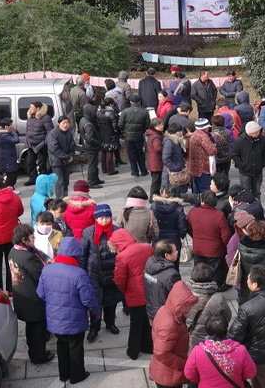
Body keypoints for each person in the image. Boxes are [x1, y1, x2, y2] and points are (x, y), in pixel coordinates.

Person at [9, 224, 55, 365]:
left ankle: (34, 352)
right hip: (33, 299)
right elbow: (41, 275)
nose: (34, 239)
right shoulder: (27, 257)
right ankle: (39, 356)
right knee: (38, 329)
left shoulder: (14, 250)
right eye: (31, 237)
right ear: (24, 239)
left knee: (31, 327)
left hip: (22, 298)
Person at [80, 204, 122, 342]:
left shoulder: (117, 231)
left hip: (112, 273)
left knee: (111, 300)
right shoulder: (88, 232)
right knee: (95, 303)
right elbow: (82, 255)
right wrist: (83, 273)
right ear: (96, 219)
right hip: (94, 274)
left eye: (107, 217)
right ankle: (94, 328)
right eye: (101, 218)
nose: (104, 221)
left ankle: (110, 323)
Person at [111, 229, 154, 360]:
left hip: (135, 294)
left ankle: (133, 351)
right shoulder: (147, 247)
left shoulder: (122, 257)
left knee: (135, 323)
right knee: (146, 321)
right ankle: (148, 346)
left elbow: (120, 280)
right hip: (149, 291)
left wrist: (125, 290)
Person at [149, 280, 199, 388]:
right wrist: (183, 364)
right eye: (187, 306)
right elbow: (161, 353)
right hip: (169, 376)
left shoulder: (164, 310)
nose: (190, 309)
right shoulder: (170, 325)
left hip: (164, 372)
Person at [185, 315, 256, 387]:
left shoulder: (198, 351)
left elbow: (189, 374)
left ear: (208, 332)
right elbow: (251, 373)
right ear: (227, 330)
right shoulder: (240, 350)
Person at [187, 192, 232, 288]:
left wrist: (197, 238)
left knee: (199, 270)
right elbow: (226, 236)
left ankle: (198, 287)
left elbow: (189, 229)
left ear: (202, 202)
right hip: (215, 250)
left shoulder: (193, 212)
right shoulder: (219, 215)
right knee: (214, 272)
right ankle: (214, 289)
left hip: (198, 248)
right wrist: (227, 248)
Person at [186, 263, 232, 348]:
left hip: (185, 338)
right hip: (207, 341)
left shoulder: (184, 293)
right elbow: (227, 317)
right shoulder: (218, 298)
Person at [144, 239, 181, 322]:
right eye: (175, 250)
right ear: (166, 255)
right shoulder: (171, 275)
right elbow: (177, 298)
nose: (177, 252)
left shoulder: (149, 264)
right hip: (165, 316)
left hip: (151, 311)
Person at [231, 121, 265, 199]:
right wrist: (242, 165)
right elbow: (234, 155)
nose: (258, 133)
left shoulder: (262, 139)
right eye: (256, 132)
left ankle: (257, 206)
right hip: (245, 172)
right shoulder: (239, 141)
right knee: (245, 193)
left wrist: (262, 163)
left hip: (257, 171)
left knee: (257, 192)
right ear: (250, 133)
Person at [119, 94, 150, 177]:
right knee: (140, 153)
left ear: (130, 102)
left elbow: (120, 124)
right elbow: (147, 125)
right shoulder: (144, 112)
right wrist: (141, 130)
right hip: (139, 136)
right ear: (139, 102)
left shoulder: (125, 112)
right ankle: (143, 170)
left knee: (131, 154)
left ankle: (135, 171)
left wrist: (124, 131)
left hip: (128, 136)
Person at [151, 184, 188, 255]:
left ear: (165, 194)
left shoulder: (154, 206)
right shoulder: (178, 209)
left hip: (158, 241)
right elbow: (183, 229)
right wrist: (181, 235)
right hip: (173, 241)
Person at [24, 101, 53, 186]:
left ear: (38, 108)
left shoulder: (45, 118)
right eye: (30, 107)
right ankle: (32, 179)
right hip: (31, 145)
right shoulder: (30, 118)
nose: (30, 109)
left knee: (42, 164)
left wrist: (44, 143)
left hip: (41, 145)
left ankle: (43, 180)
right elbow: (27, 130)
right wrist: (27, 141)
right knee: (30, 163)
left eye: (32, 107)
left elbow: (50, 132)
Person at [47, 116, 75, 199]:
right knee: (59, 182)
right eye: (64, 123)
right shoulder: (53, 134)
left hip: (66, 161)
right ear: (59, 124)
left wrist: (71, 154)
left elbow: (72, 145)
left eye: (67, 123)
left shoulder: (69, 132)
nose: (66, 125)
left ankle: (65, 198)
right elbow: (54, 149)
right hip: (57, 162)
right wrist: (66, 156)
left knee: (66, 181)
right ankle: (60, 200)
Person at [187, 118, 217, 194]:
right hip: (202, 168)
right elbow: (212, 151)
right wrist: (214, 146)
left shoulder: (194, 134)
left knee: (196, 191)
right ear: (206, 127)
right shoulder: (203, 136)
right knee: (205, 190)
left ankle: (197, 202)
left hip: (194, 167)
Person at [79, 103, 103, 189]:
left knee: (94, 164)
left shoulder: (83, 119)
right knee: (92, 165)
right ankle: (91, 182)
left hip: (88, 146)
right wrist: (99, 143)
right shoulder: (88, 124)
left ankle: (96, 179)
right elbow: (89, 139)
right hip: (91, 148)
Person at [0, 117, 20, 189]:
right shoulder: (3, 136)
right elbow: (16, 140)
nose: (12, 126)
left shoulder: (7, 133)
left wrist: (13, 131)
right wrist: (13, 132)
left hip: (10, 156)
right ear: (6, 126)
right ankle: (7, 189)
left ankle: (11, 188)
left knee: (14, 174)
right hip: (7, 158)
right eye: (10, 125)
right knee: (10, 176)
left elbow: (17, 134)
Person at [161, 123, 187, 192]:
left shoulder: (178, 140)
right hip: (172, 172)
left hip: (178, 169)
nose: (181, 133)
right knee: (172, 191)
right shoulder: (169, 142)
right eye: (179, 131)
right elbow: (165, 158)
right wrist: (175, 167)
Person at [97, 98, 119, 177]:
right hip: (110, 133)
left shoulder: (98, 111)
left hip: (101, 132)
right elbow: (114, 124)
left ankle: (104, 168)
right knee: (110, 150)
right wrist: (116, 132)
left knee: (103, 150)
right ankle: (110, 170)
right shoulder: (110, 112)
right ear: (110, 104)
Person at [146, 118, 164, 200]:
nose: (162, 126)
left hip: (152, 161)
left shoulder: (152, 134)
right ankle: (153, 198)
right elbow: (158, 148)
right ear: (155, 126)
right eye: (161, 125)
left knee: (156, 181)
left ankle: (155, 196)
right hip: (156, 162)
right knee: (156, 182)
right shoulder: (156, 137)